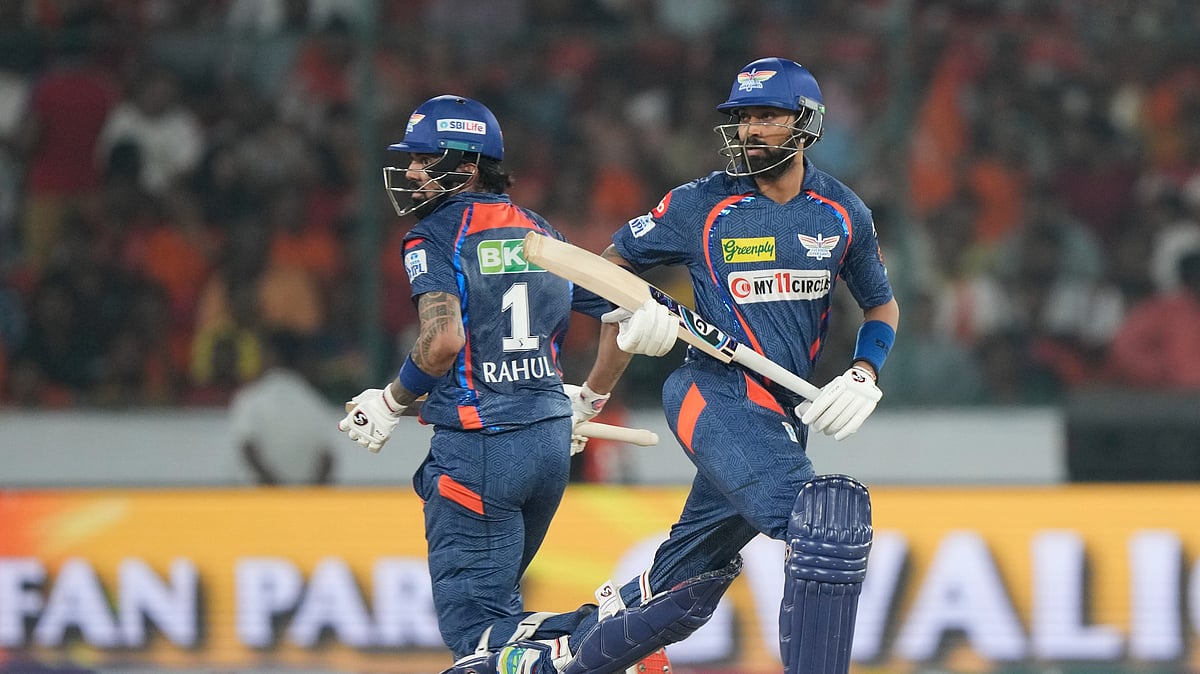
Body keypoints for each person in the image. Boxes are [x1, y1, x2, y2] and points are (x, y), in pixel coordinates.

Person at [451, 57, 901, 674]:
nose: (751, 130)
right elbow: (603, 276)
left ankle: (544, 663)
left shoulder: (843, 210)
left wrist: (864, 372)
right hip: (711, 394)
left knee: (683, 593)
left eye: (767, 116)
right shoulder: (698, 204)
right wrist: (627, 336)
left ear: (807, 125)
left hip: (779, 420)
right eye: (743, 118)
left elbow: (881, 306)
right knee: (827, 521)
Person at [338, 95, 698, 673]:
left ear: (466, 166)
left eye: (423, 160)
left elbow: (443, 341)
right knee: (500, 616)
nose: (411, 173)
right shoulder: (539, 230)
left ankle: (621, 638)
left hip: (480, 450)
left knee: (475, 631)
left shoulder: (433, 235)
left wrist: (391, 399)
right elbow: (626, 309)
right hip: (549, 444)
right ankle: (615, 635)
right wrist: (591, 397)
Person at [230, 329, 337, 485]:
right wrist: (309, 493)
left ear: (271, 356)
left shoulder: (251, 399)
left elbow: (247, 448)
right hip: (303, 496)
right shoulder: (315, 402)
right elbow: (327, 458)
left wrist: (273, 487)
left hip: (259, 496)